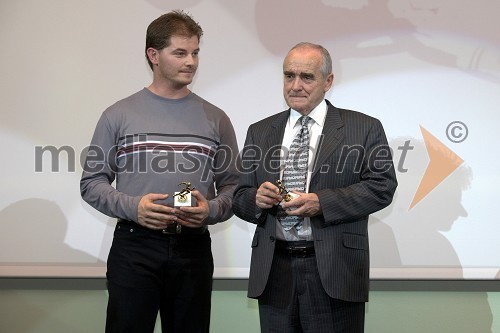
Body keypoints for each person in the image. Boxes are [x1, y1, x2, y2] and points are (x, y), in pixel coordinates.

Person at [80, 10, 239, 333]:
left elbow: (235, 186)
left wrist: (211, 209)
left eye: (195, 52)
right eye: (180, 53)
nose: (191, 62)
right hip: (134, 247)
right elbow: (92, 182)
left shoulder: (216, 118)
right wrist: (133, 208)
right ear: (153, 55)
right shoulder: (118, 114)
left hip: (193, 249)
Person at [233, 42, 398, 332]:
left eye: (306, 77)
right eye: (288, 76)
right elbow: (239, 196)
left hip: (335, 269)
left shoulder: (363, 127)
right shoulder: (259, 131)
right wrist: (256, 199)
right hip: (274, 271)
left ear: (328, 81)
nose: (295, 85)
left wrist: (322, 202)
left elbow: (382, 186)